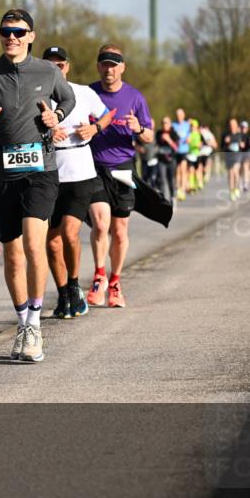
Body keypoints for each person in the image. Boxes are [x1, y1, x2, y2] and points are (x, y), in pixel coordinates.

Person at [0, 9, 75, 363]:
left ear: (31, 36)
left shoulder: (48, 71)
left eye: (19, 32)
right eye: (6, 31)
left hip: (40, 170)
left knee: (35, 247)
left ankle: (36, 323)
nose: (12, 37)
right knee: (12, 254)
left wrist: (57, 117)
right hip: (1, 174)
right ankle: (22, 321)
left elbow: (66, 99)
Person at [40, 46, 112, 320]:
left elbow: (107, 114)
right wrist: (46, 134)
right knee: (52, 242)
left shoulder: (83, 92)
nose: (56, 70)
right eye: (50, 65)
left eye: (60, 65)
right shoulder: (36, 96)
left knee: (70, 234)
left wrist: (95, 128)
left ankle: (73, 285)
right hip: (49, 172)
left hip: (80, 172)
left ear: (67, 67)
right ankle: (62, 294)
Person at [86, 44, 154, 309]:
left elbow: (149, 135)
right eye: (104, 63)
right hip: (94, 167)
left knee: (120, 230)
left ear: (122, 67)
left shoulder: (135, 97)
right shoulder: (89, 93)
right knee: (101, 225)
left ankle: (115, 282)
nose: (109, 69)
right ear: (98, 66)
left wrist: (139, 129)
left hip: (124, 168)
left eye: (114, 64)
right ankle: (99, 274)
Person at [221, 118, 247, 201]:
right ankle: (231, 190)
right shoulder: (226, 134)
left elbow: (245, 144)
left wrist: (242, 145)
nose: (232, 126)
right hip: (229, 155)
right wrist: (226, 142)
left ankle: (236, 188)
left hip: (237, 155)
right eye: (230, 125)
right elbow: (222, 146)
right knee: (230, 173)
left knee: (235, 172)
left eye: (233, 125)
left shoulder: (240, 134)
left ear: (236, 125)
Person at [155, 117, 179, 202]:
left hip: (171, 160)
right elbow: (156, 145)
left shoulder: (174, 133)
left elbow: (176, 148)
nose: (164, 124)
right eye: (163, 123)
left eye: (166, 123)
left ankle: (173, 197)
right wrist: (161, 139)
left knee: (171, 179)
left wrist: (168, 140)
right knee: (162, 179)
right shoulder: (158, 133)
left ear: (170, 124)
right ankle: (164, 199)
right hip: (161, 160)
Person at [172, 108, 192, 201]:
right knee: (177, 170)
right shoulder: (173, 125)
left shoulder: (187, 125)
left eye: (180, 115)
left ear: (183, 116)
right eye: (177, 115)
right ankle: (178, 188)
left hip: (184, 150)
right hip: (176, 151)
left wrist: (189, 139)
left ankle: (182, 190)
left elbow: (190, 135)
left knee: (183, 169)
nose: (179, 117)